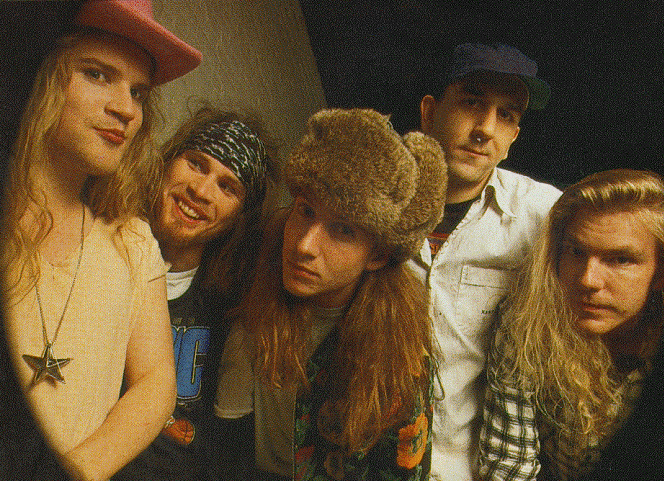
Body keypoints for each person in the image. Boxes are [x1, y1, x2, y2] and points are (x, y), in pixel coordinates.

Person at [0, 1, 201, 479]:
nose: (125, 109)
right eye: (97, 74)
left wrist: (79, 468)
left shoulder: (131, 241)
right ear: (40, 77)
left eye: (138, 92)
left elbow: (156, 383)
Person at [214, 108, 447, 480]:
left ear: (377, 255)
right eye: (305, 211)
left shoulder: (400, 356)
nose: (304, 245)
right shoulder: (258, 292)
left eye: (342, 230)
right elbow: (229, 444)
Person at [412, 42, 562, 480]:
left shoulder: (545, 215)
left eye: (506, 115)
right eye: (472, 103)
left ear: (513, 137)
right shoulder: (373, 197)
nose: (485, 129)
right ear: (430, 112)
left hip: (467, 470)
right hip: (364, 463)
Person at [113, 106, 273, 480]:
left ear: (240, 217)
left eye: (227, 187)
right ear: (168, 162)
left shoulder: (232, 309)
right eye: (196, 164)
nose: (200, 191)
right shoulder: (102, 251)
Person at [479, 169, 664, 480]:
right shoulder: (526, 321)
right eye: (576, 252)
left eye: (620, 260)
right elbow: (509, 466)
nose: (588, 280)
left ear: (660, 272)